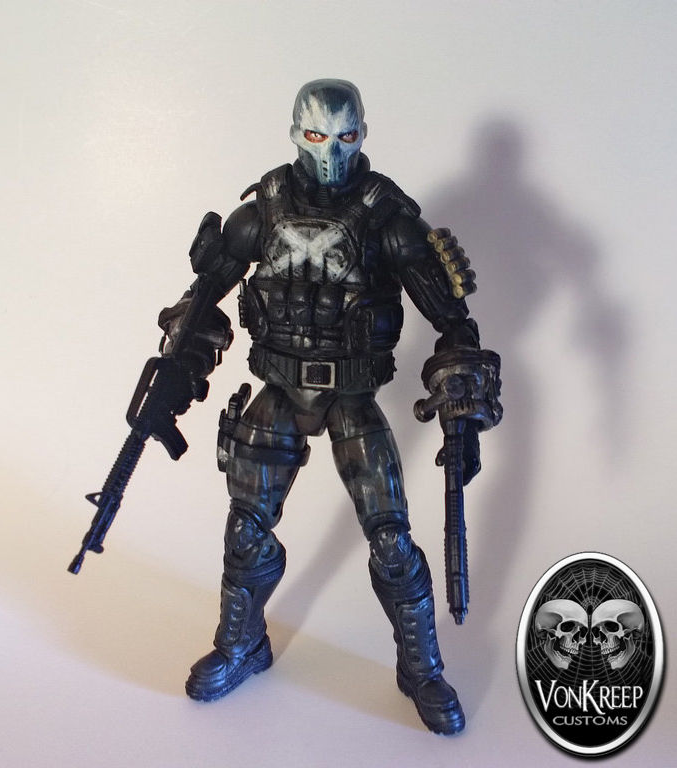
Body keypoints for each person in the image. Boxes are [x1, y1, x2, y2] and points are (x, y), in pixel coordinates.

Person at [161, 79, 501, 734]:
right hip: (279, 390)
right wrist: (180, 370)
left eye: (345, 137)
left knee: (391, 541)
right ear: (295, 133)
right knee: (245, 530)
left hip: (351, 396)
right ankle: (241, 645)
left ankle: (422, 668)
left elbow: (454, 322)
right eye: (317, 136)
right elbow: (201, 302)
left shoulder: (387, 219)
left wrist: (462, 397)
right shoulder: (260, 212)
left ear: (363, 134)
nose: (330, 153)